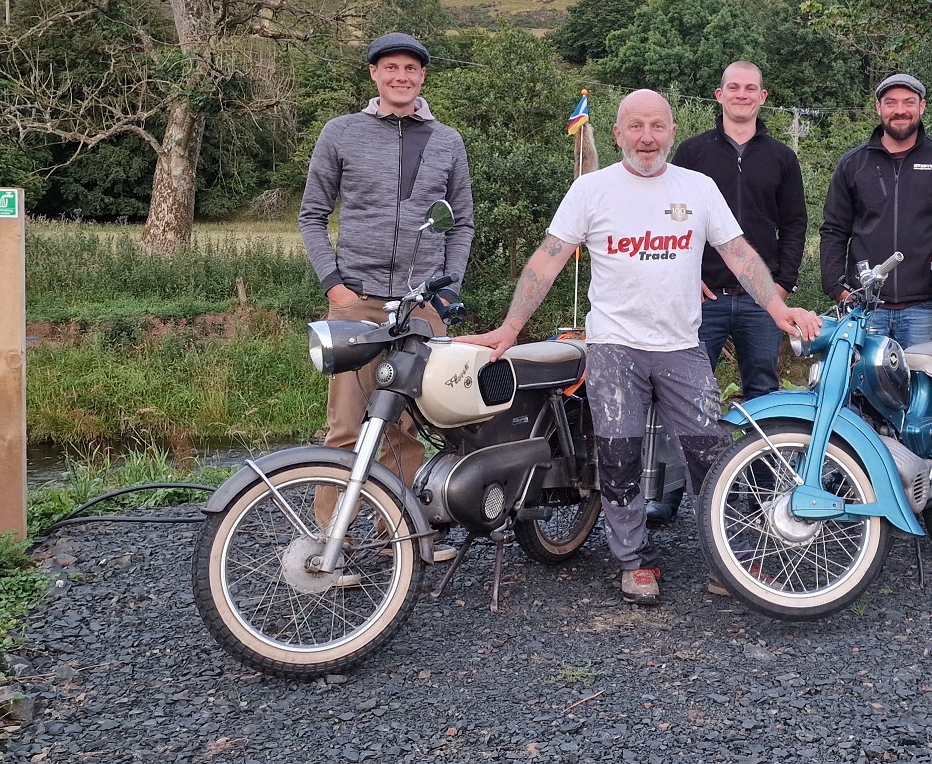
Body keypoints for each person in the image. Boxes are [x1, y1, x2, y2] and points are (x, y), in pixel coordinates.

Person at [460, 89, 821, 606]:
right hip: (614, 347)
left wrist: (778, 309)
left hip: (681, 346)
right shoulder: (591, 190)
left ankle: (734, 555)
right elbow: (547, 259)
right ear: (618, 133)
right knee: (619, 455)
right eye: (636, 127)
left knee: (710, 453)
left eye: (657, 126)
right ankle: (634, 561)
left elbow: (739, 254)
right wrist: (511, 327)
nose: (646, 137)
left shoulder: (698, 188)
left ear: (672, 131)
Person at [299, 32, 474, 558]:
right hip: (359, 302)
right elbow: (312, 214)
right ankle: (332, 538)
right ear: (373, 74)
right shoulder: (341, 133)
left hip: (423, 305)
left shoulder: (447, 141)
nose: (402, 77)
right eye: (390, 67)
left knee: (407, 426)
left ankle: (401, 538)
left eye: (411, 69)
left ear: (423, 77)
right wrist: (334, 284)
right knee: (348, 425)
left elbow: (462, 222)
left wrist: (447, 292)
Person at [671, 61, 806, 401]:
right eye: (733, 87)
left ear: (762, 97)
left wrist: (781, 285)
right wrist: (685, 275)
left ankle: (761, 456)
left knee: (763, 393)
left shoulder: (782, 157)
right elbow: (671, 219)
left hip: (761, 300)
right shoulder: (691, 152)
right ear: (719, 95)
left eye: (749, 89)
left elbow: (794, 225)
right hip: (703, 299)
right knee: (689, 394)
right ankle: (699, 457)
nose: (741, 95)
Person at [818, 73, 932, 348]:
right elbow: (833, 229)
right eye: (891, 103)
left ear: (922, 106)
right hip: (865, 309)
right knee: (862, 390)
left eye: (909, 102)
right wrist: (835, 287)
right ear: (878, 108)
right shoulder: (853, 164)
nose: (900, 110)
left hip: (927, 309)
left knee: (924, 390)